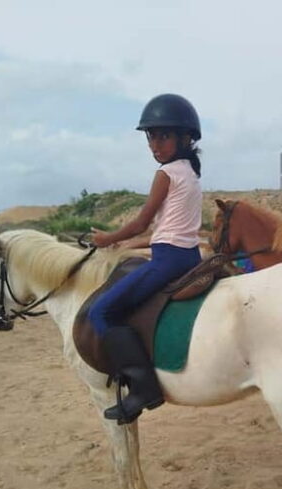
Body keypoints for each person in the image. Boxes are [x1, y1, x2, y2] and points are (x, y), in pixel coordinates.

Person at [89, 93, 203, 424]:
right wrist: (129, 244)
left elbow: (142, 222)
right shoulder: (190, 173)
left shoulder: (166, 173)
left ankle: (142, 389)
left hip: (167, 261)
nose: (155, 145)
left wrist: (107, 239)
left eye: (163, 136)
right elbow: (165, 229)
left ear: (184, 138)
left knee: (101, 311)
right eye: (151, 137)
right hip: (188, 256)